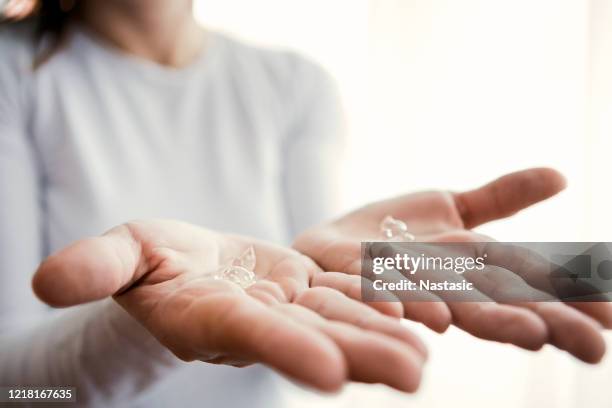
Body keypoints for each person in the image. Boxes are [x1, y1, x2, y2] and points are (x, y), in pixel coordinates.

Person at [1, 1, 611, 407]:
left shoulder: (293, 85)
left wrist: (386, 264)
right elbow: (14, 391)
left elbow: (314, 269)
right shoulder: (14, 73)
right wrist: (140, 326)